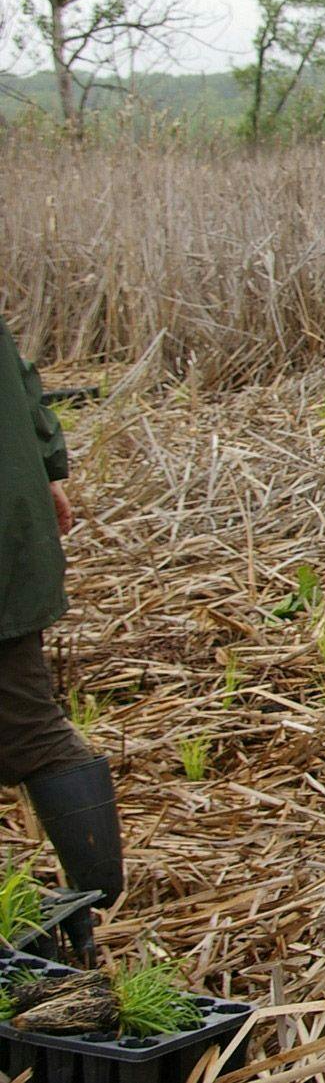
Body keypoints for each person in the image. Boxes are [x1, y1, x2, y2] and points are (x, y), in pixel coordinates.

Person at [1, 312, 124, 956]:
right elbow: (18, 376)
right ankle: (96, 909)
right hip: (9, 520)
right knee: (29, 719)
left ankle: (86, 918)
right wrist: (43, 463)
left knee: (30, 724)